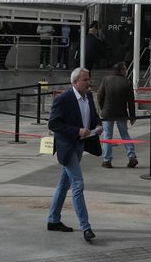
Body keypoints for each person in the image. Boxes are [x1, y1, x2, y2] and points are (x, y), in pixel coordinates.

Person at [46, 68, 102, 242]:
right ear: (76, 82)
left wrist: (98, 126)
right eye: (85, 80)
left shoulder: (89, 97)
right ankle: (86, 227)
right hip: (67, 147)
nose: (88, 82)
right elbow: (53, 124)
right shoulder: (63, 99)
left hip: (80, 146)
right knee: (78, 184)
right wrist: (76, 130)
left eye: (89, 79)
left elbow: (93, 116)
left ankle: (53, 220)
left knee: (64, 184)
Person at [96, 62, 137, 168]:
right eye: (125, 69)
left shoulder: (106, 80)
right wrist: (132, 116)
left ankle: (107, 160)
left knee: (107, 136)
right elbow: (131, 102)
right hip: (121, 113)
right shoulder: (127, 82)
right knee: (124, 134)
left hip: (107, 112)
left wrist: (102, 107)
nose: (126, 71)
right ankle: (131, 156)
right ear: (121, 71)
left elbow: (99, 95)